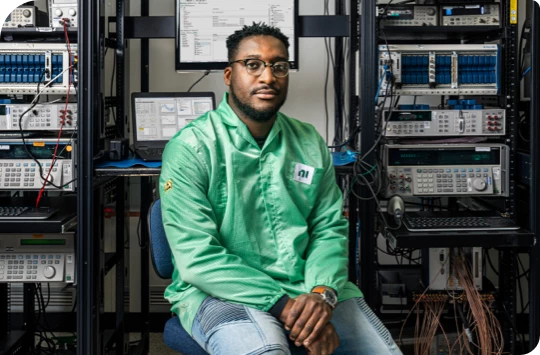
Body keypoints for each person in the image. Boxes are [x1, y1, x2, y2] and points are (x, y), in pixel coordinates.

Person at [159, 22, 402, 355]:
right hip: (218, 291)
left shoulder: (308, 141)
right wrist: (287, 308)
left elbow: (328, 230)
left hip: (310, 287)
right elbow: (197, 257)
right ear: (229, 75)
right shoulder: (191, 147)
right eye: (253, 65)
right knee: (268, 350)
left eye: (279, 66)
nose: (268, 77)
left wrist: (321, 295)